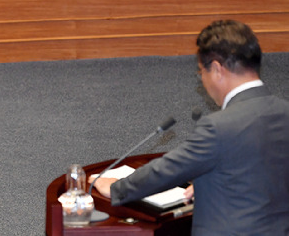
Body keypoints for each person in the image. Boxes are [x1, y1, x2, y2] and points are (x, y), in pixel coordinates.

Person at [93, 20, 289, 235]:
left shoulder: (219, 126)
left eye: (200, 72)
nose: (203, 80)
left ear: (216, 69)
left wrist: (115, 187)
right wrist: (212, 181)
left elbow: (166, 171)